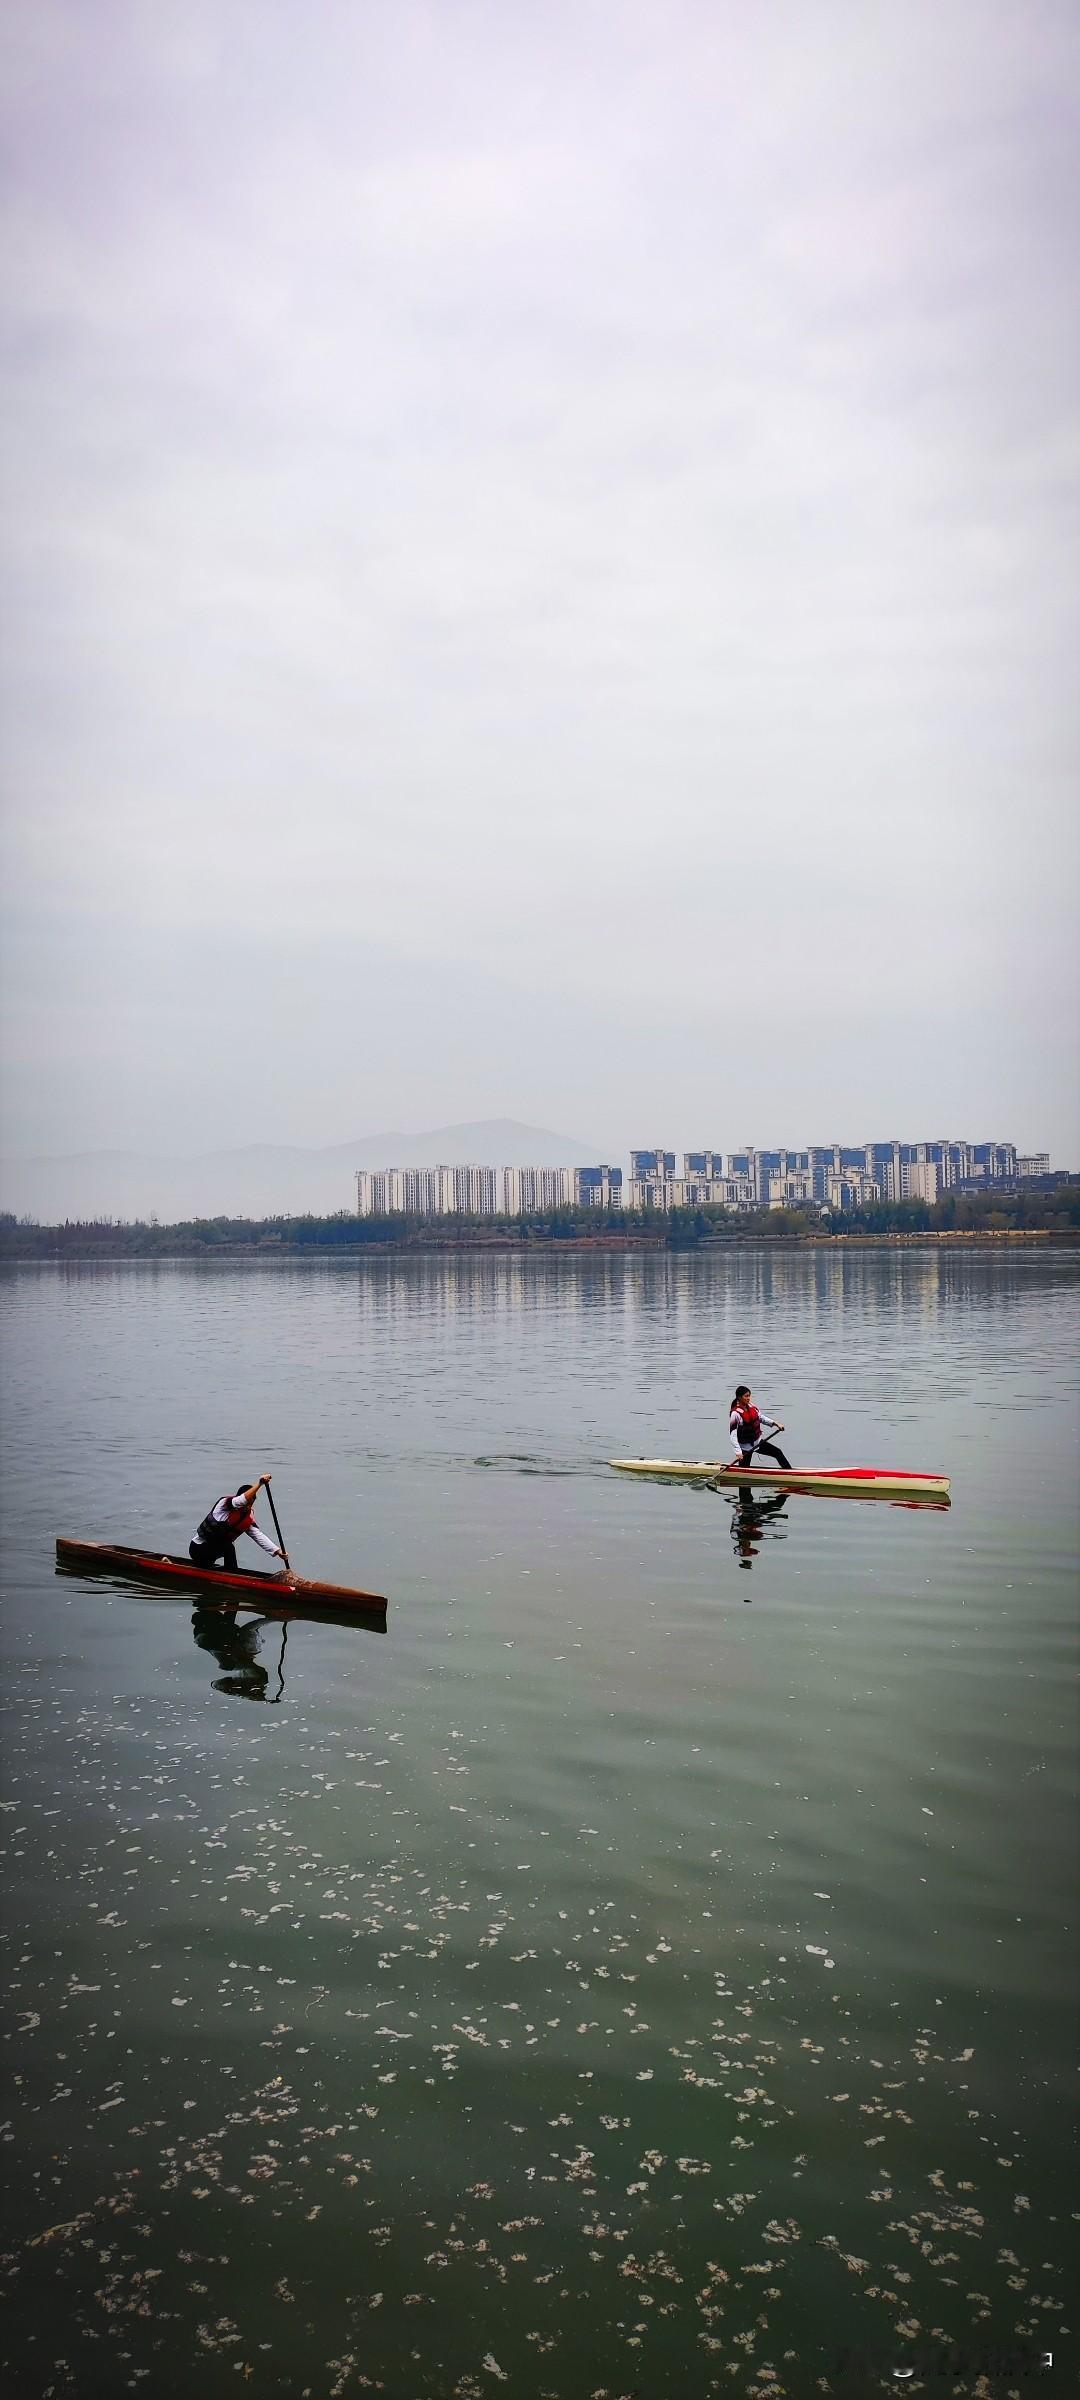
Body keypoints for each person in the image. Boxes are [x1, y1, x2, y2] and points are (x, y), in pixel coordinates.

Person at [189, 1478, 288, 1573]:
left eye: (251, 1504)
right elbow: (241, 1500)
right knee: (228, 1546)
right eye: (247, 1503)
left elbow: (258, 1535)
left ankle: (231, 1573)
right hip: (198, 1549)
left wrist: (277, 1551)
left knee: (227, 1546)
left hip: (213, 1553)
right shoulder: (224, 1505)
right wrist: (260, 1484)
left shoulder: (247, 1516)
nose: (248, 1507)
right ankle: (231, 1574)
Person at [729, 1386, 792, 1472]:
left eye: (749, 1396)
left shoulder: (751, 1406)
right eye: (746, 1396)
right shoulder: (735, 1413)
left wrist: (775, 1423)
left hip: (757, 1443)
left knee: (777, 1452)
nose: (748, 1398)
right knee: (744, 1471)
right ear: (739, 1397)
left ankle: (789, 1472)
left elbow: (761, 1417)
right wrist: (738, 1452)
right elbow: (733, 1434)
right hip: (745, 1447)